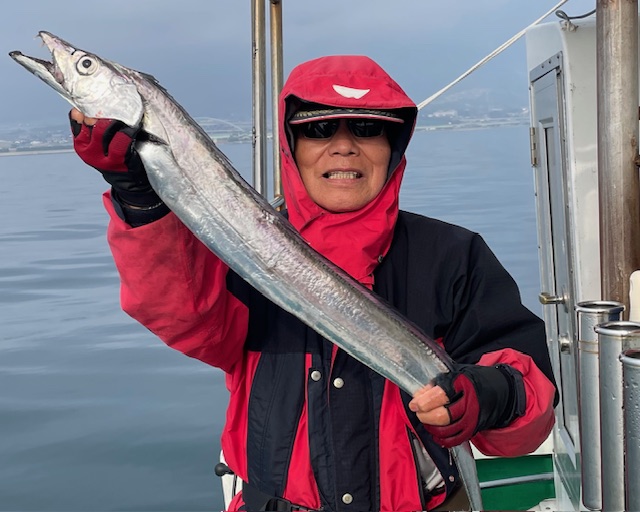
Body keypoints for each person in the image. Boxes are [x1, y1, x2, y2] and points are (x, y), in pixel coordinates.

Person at [69, 55, 557, 511]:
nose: (343, 146)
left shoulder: (452, 255)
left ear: (394, 148)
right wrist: (141, 199)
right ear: (293, 148)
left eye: (367, 129)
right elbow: (188, 320)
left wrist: (490, 395)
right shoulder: (244, 247)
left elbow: (528, 400)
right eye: (319, 129)